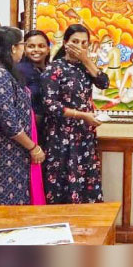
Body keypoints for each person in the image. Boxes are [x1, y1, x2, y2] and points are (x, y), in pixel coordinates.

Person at [41, 24, 108, 204]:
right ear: (65, 43)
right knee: (61, 182)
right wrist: (83, 115)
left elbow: (104, 83)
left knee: (85, 181)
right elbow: (50, 105)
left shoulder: (85, 67)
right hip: (60, 134)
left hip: (84, 134)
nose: (79, 46)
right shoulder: (54, 68)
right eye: (75, 42)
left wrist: (86, 60)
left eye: (84, 43)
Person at [0, 26, 44, 205]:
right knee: (10, 202)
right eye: (23, 44)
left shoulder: (7, 71)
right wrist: (33, 147)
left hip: (17, 150)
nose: (23, 49)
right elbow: (9, 121)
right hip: (7, 151)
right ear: (13, 48)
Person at [17, 30, 51, 134]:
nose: (36, 50)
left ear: (48, 49)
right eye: (31, 46)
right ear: (24, 49)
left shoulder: (52, 69)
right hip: (29, 129)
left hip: (52, 128)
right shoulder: (19, 70)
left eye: (41, 46)